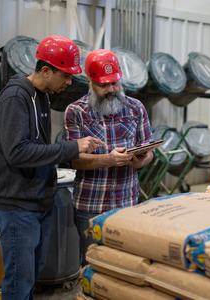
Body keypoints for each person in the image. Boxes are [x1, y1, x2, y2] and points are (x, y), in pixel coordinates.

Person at [0, 35, 105, 300]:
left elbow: (40, 149)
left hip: (36, 201)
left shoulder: (42, 97)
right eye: (65, 76)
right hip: (17, 205)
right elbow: (18, 152)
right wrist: (72, 148)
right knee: (19, 282)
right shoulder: (15, 98)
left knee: (30, 277)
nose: (69, 83)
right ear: (46, 70)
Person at [64, 49, 153, 265]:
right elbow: (75, 160)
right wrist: (108, 160)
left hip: (127, 202)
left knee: (124, 266)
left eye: (115, 83)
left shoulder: (136, 108)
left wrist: (141, 160)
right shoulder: (76, 112)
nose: (111, 89)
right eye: (104, 85)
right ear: (90, 82)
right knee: (91, 264)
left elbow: (148, 149)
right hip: (91, 204)